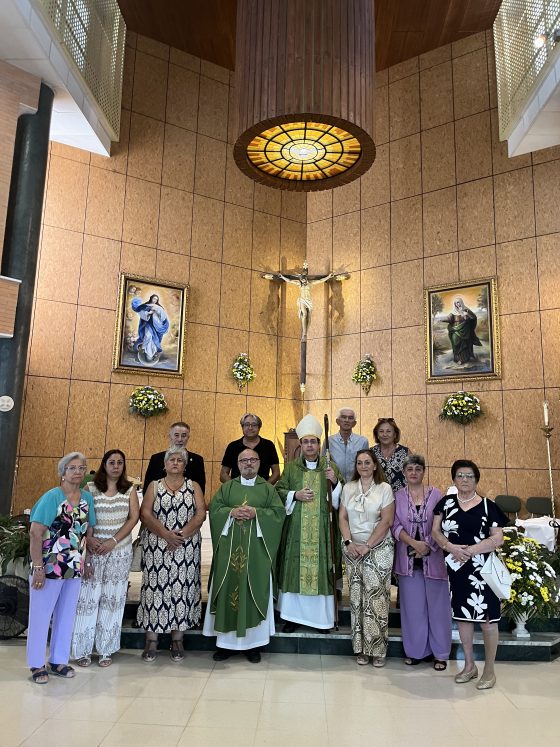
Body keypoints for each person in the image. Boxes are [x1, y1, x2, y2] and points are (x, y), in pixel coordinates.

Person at [432, 459, 508, 690]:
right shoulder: (445, 504)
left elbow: (498, 538)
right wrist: (452, 547)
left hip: (482, 570)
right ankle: (469, 666)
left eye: (469, 476)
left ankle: (490, 671)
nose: (464, 480)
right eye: (460, 475)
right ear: (453, 479)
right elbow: (435, 531)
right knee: (463, 618)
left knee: (487, 620)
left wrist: (471, 550)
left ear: (477, 479)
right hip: (457, 567)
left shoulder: (488, 506)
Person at [203, 449, 285, 662]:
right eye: (244, 460)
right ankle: (226, 645)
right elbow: (215, 509)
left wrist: (257, 513)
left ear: (259, 463)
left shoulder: (268, 489)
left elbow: (278, 514)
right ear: (237, 465)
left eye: (253, 460)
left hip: (257, 554)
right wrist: (230, 512)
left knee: (254, 590)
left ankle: (253, 645)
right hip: (229, 553)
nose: (248, 463)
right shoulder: (227, 487)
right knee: (227, 588)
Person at [26, 452, 96, 684]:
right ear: (62, 472)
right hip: (49, 565)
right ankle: (36, 664)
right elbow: (35, 533)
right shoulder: (52, 497)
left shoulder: (87, 498)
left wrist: (87, 561)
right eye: (72, 468)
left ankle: (58, 660)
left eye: (81, 468)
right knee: (41, 616)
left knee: (66, 615)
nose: (78, 472)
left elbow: (88, 531)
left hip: (74, 565)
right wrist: (38, 566)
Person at [137, 446, 206, 662]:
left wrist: (180, 535)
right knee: (154, 589)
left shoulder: (193, 485)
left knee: (182, 588)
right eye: (172, 460)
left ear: (185, 465)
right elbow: (145, 514)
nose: (175, 463)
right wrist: (166, 534)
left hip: (185, 547)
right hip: (157, 546)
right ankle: (152, 641)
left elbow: (201, 513)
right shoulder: (154, 486)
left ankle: (177, 640)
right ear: (165, 464)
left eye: (180, 460)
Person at [71, 450, 140, 667]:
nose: (116, 466)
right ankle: (82, 650)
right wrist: (89, 540)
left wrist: (113, 540)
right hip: (93, 550)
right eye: (112, 462)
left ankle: (105, 650)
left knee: (113, 599)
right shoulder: (90, 488)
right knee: (88, 600)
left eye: (120, 462)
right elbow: (82, 515)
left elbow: (134, 517)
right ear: (104, 464)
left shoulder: (129, 489)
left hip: (118, 551)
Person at [275, 414, 343, 633]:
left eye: (313, 441)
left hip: (322, 531)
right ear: (301, 445)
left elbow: (342, 500)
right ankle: (292, 617)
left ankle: (321, 620)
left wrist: (335, 482)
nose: (310, 445)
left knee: (321, 571)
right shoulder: (292, 468)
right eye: (306, 441)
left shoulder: (330, 466)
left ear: (319, 444)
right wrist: (295, 495)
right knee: (295, 570)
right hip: (297, 530)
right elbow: (279, 490)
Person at [392, 454, 451, 670]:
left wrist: (427, 544)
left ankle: (440, 654)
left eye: (418, 469)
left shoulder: (436, 495)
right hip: (407, 560)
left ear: (423, 472)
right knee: (413, 610)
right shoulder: (397, 496)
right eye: (410, 469)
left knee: (438, 609)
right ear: (404, 473)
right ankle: (416, 652)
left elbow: (443, 525)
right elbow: (394, 525)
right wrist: (413, 544)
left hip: (433, 559)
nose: (414, 473)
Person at [339, 449, 394, 667]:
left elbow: (387, 521)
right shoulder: (348, 487)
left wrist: (368, 545)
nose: (363, 466)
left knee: (377, 599)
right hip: (352, 549)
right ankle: (360, 649)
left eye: (367, 462)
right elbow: (342, 517)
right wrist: (348, 542)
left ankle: (378, 650)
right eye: (359, 462)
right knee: (356, 599)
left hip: (379, 547)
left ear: (374, 465)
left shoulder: (384, 488)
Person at [143, 420, 206, 495]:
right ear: (169, 436)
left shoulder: (197, 460)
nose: (180, 439)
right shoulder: (156, 459)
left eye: (183, 436)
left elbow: (201, 490)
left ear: (188, 438)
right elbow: (147, 488)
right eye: (176, 435)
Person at [220, 413, 280, 484]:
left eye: (254, 425)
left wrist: (265, 488)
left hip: (261, 491)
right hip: (238, 491)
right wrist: (235, 487)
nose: (250, 428)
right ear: (242, 427)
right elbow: (223, 474)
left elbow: (276, 473)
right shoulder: (233, 446)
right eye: (247, 425)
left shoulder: (269, 445)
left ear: (259, 427)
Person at [322, 407, 368, 483]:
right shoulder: (329, 441)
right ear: (338, 421)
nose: (347, 420)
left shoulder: (362, 441)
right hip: (335, 485)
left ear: (354, 423)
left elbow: (366, 466)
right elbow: (323, 463)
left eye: (350, 418)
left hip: (357, 485)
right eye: (343, 417)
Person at [372, 417, 410, 493]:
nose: (385, 434)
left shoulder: (405, 452)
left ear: (395, 434)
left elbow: (413, 474)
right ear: (377, 435)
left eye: (388, 431)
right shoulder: (371, 452)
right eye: (381, 431)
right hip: (377, 498)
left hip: (400, 498)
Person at [131, 293, 169, 363]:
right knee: (148, 335)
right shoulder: (145, 306)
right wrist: (148, 313)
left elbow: (163, 317)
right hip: (147, 323)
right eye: (154, 298)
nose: (155, 300)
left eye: (156, 299)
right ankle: (143, 348)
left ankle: (151, 353)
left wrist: (156, 311)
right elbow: (140, 312)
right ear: (151, 298)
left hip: (156, 325)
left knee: (154, 340)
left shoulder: (159, 307)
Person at [443, 297, 481, 365]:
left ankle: (464, 358)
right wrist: (443, 320)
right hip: (455, 330)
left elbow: (473, 317)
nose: (457, 304)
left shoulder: (466, 309)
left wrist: (467, 315)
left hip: (465, 329)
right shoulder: (453, 312)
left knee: (466, 343)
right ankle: (458, 358)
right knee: (455, 342)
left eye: (458, 302)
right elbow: (449, 318)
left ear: (461, 302)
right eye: (456, 303)